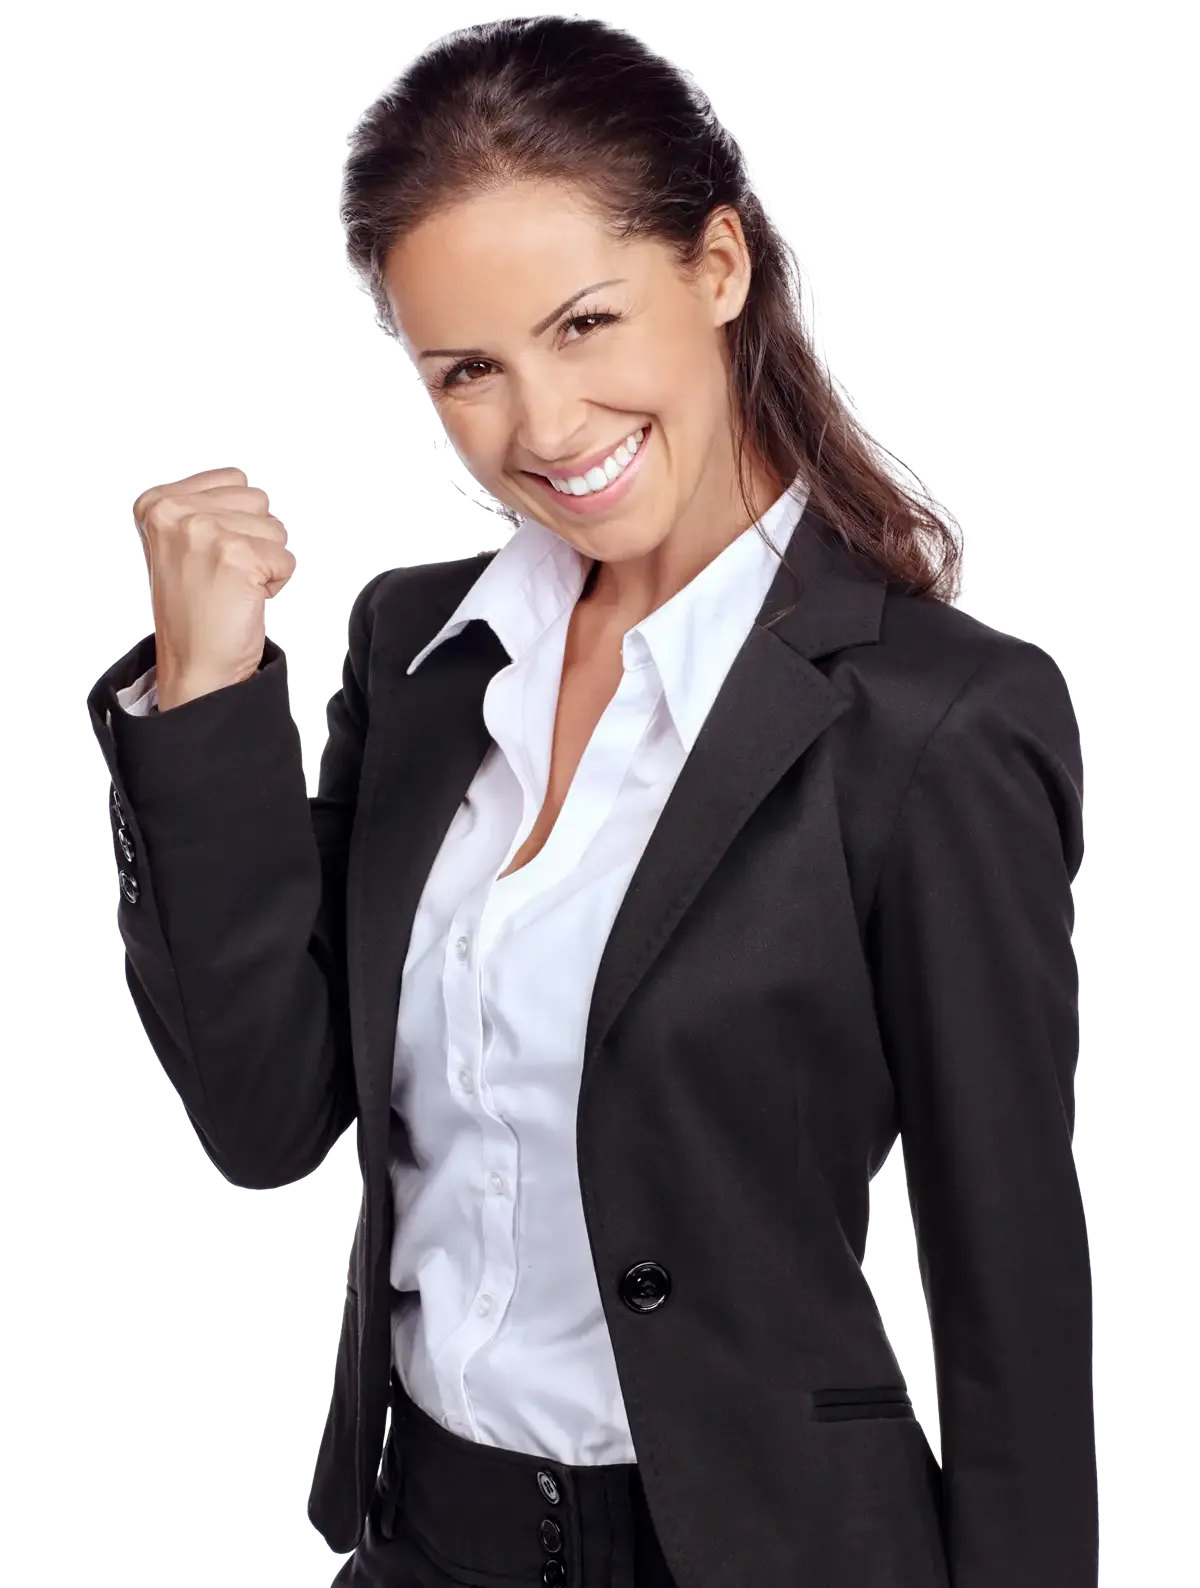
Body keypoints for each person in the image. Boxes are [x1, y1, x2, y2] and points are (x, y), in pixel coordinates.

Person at [86, 12, 1097, 1587]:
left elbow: (1010, 1287)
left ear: (719, 267)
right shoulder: (421, 654)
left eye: (585, 324)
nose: (546, 429)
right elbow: (267, 1118)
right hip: (429, 1539)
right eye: (469, 371)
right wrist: (206, 694)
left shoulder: (936, 719)